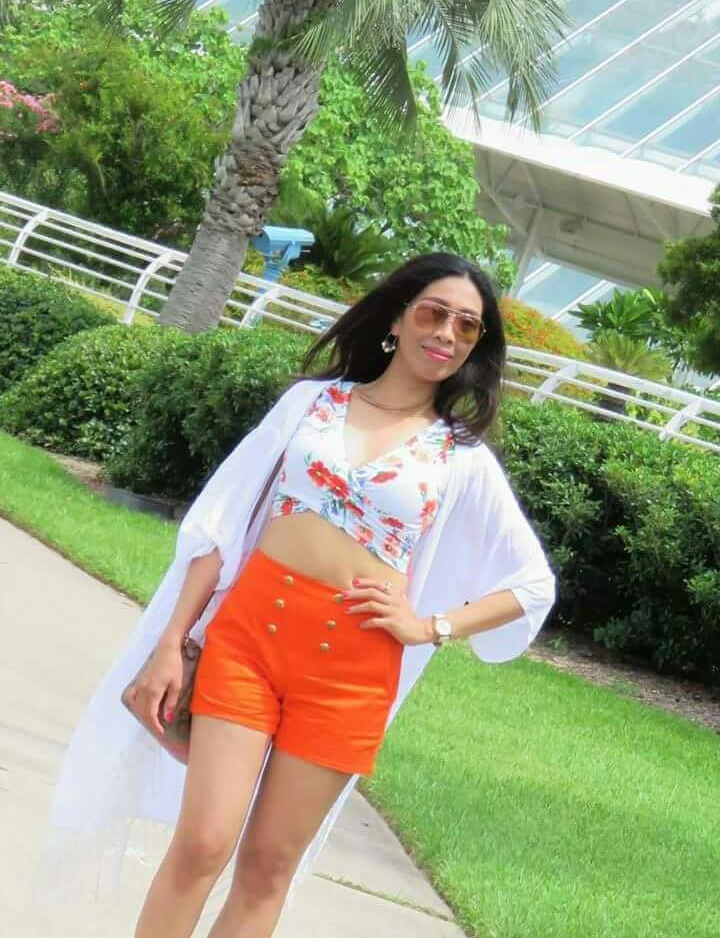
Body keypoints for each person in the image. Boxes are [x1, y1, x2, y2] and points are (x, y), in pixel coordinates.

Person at [34, 252, 557, 937]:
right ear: (397, 319)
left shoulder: (462, 458)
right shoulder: (313, 404)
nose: (447, 334)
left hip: (352, 673)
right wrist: (170, 642)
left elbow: (531, 584)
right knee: (202, 844)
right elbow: (220, 523)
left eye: (468, 326)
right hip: (251, 639)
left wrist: (430, 626)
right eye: (434, 313)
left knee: (267, 869)